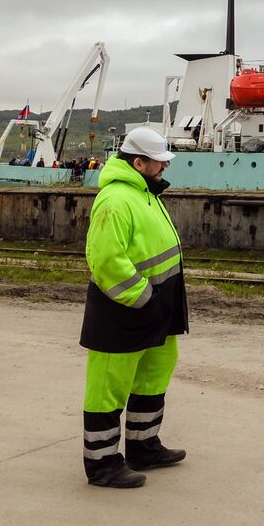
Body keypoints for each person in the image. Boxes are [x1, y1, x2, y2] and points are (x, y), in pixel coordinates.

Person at [79, 126, 188, 489]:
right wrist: (145, 299)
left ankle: (144, 446)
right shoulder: (116, 200)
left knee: (152, 378)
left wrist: (160, 305)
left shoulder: (143, 192)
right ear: (139, 162)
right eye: (159, 163)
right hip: (125, 309)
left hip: (155, 308)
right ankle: (103, 464)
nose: (164, 170)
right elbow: (107, 262)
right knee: (108, 387)